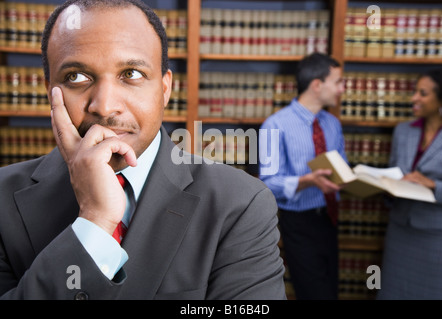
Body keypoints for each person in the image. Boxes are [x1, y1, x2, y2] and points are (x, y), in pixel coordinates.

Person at [0, 0, 286, 300]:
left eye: (131, 74)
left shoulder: (241, 204)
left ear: (165, 89)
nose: (105, 105)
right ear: (50, 92)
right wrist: (95, 221)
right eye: (76, 77)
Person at [259, 52, 346, 300]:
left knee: (331, 291)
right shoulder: (275, 125)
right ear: (317, 85)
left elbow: (342, 169)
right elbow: (268, 184)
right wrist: (308, 181)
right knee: (314, 294)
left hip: (329, 219)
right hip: (298, 223)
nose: (343, 88)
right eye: (338, 82)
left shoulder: (332, 124)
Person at [377, 69, 442, 300]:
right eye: (414, 92)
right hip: (400, 230)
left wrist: (432, 185)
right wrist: (387, 186)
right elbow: (395, 171)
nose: (414, 99)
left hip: (438, 235)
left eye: (423, 93)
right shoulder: (403, 131)